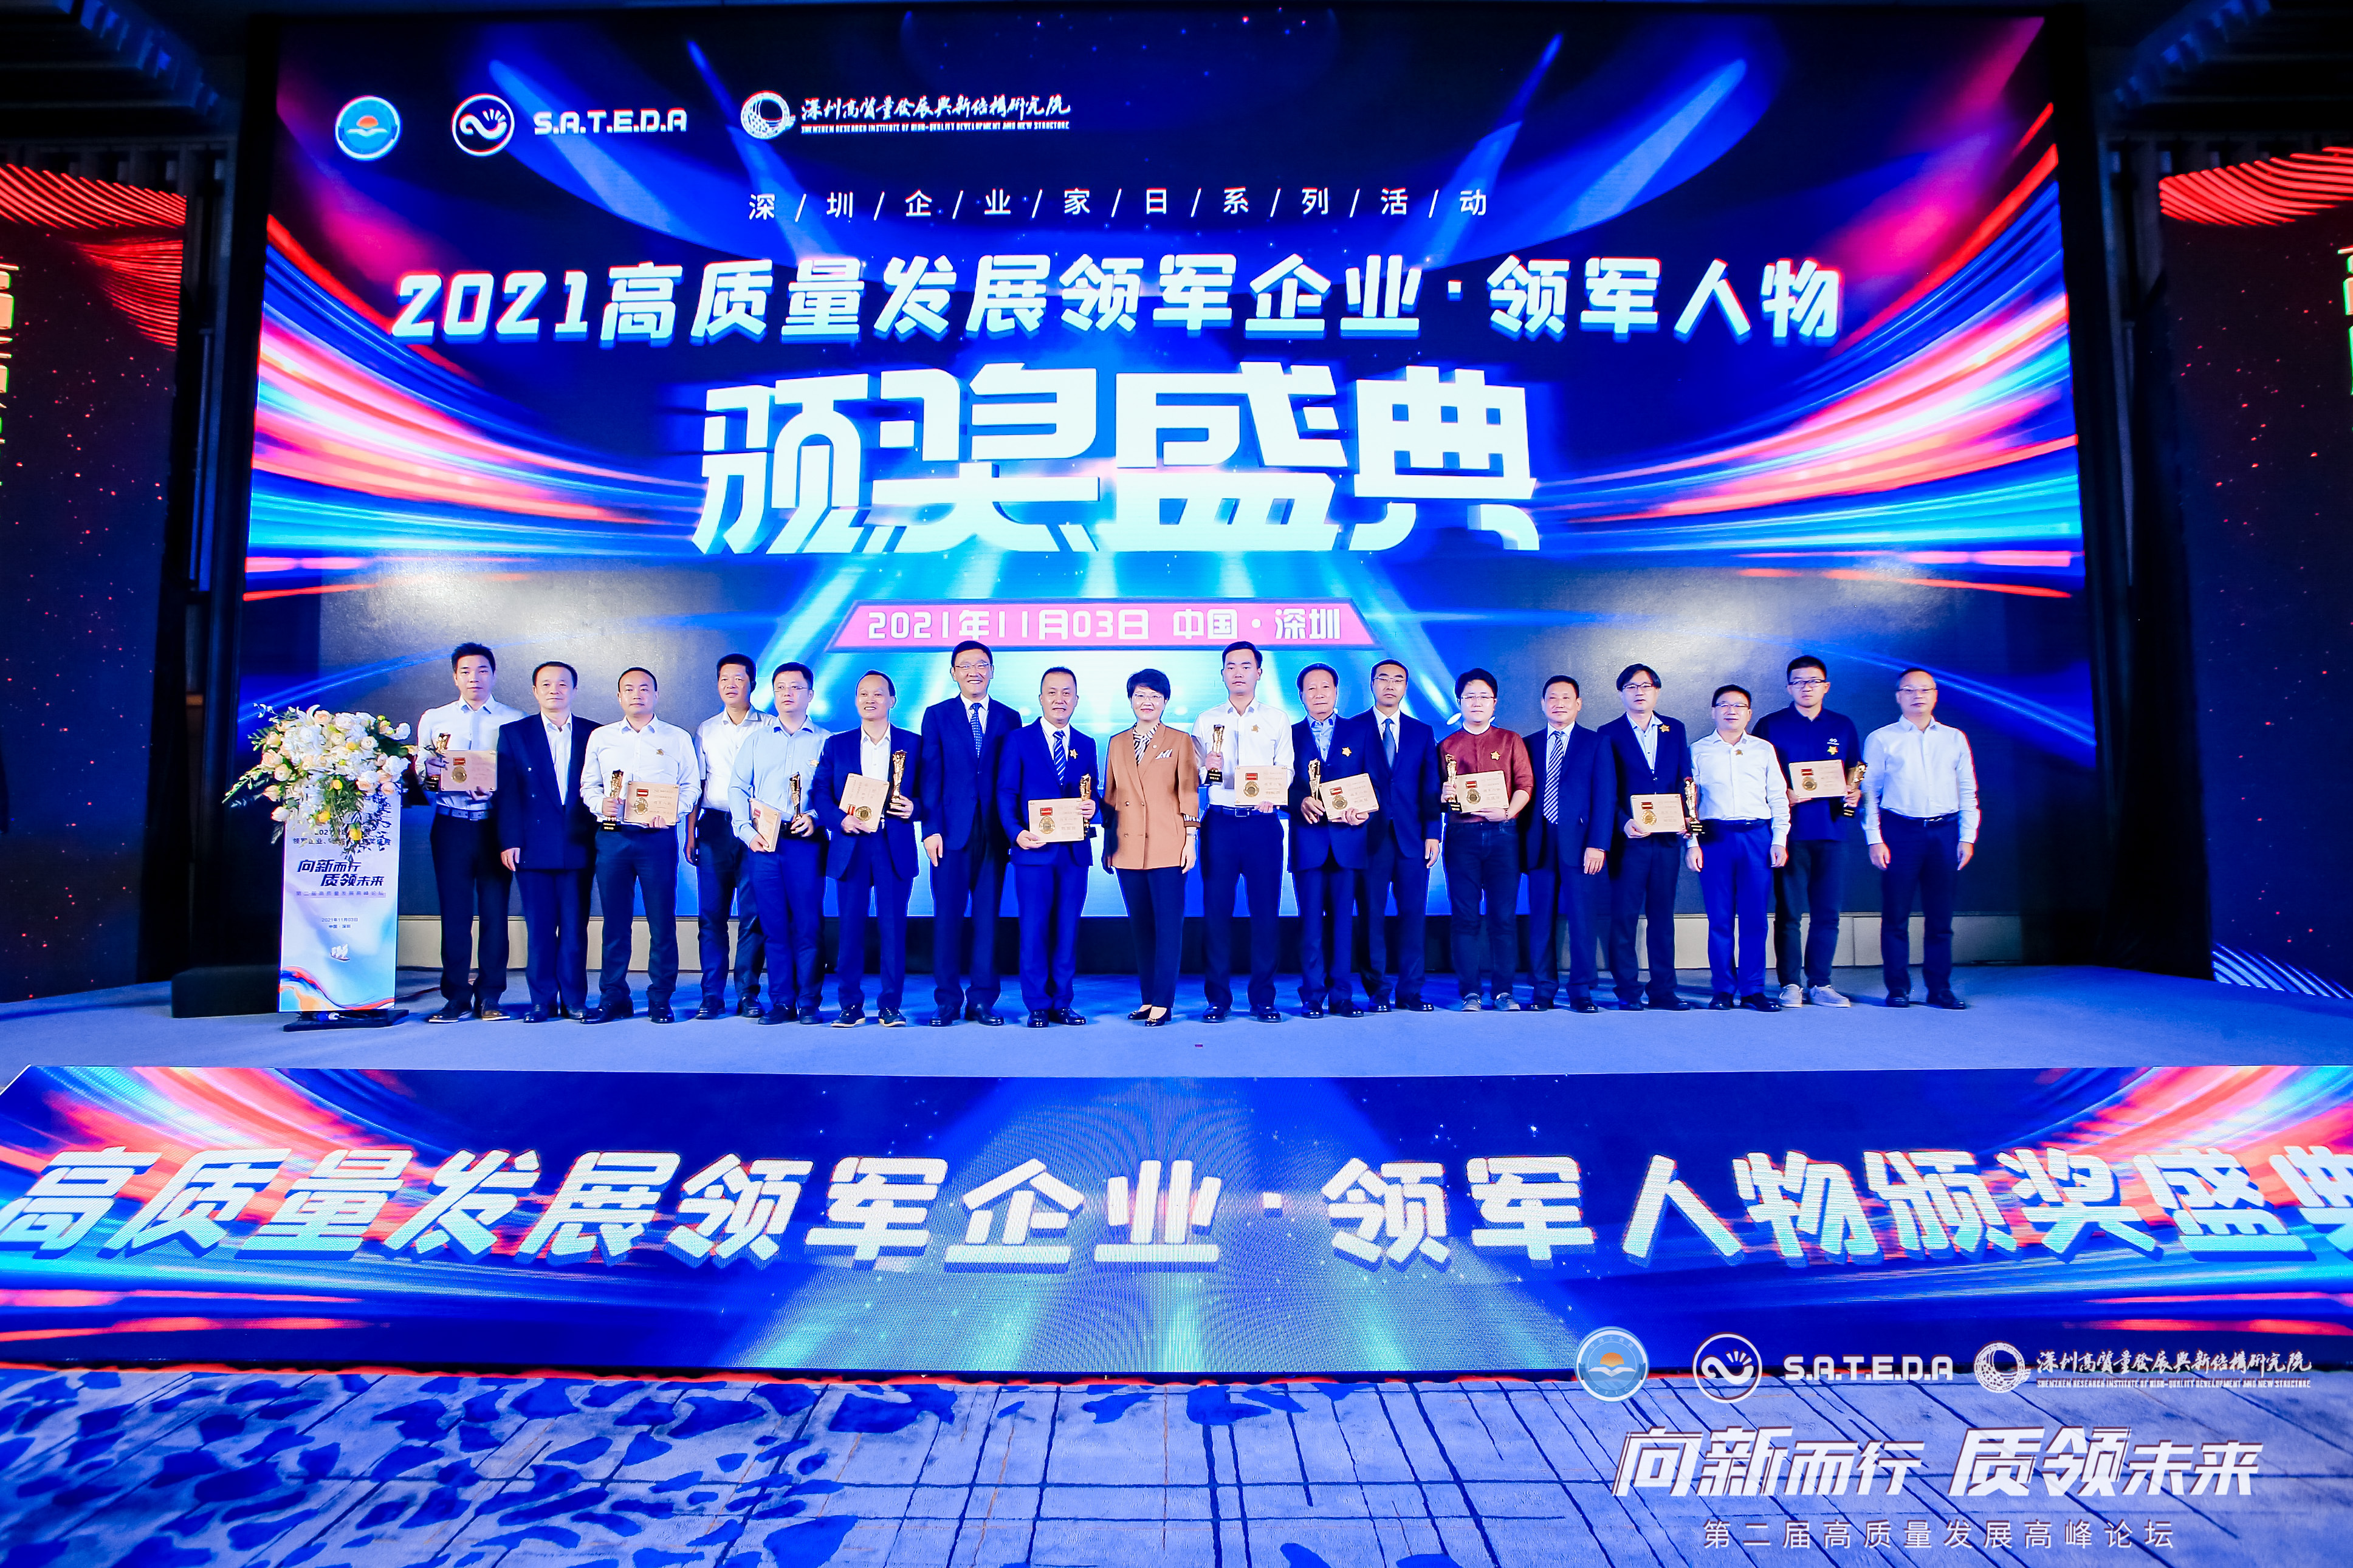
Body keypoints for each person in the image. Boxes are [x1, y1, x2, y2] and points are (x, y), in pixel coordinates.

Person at [579, 668, 699, 1024]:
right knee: (615, 922)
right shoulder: (602, 737)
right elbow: (588, 785)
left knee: (662, 922)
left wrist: (673, 812)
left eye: (644, 688)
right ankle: (613, 996)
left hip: (656, 840)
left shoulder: (676, 737)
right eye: (629, 689)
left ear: (656, 695)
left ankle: (661, 997)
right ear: (619, 697)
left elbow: (691, 786)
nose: (637, 694)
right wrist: (601, 804)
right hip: (612, 837)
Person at [415, 642, 521, 1022]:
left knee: (495, 914)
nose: (474, 678)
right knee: (454, 914)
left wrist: (496, 789)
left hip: (495, 827)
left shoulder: (515, 719)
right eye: (466, 672)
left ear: (494, 675)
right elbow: (422, 774)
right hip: (451, 825)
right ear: (455, 677)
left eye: (482, 671)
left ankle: (491, 995)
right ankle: (456, 997)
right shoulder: (435, 719)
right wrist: (431, 773)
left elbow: (522, 777)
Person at [1862, 668, 1979, 1010]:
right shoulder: (1882, 739)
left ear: (1935, 695)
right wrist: (1874, 839)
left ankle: (1940, 989)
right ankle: (1897, 988)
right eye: (1910, 690)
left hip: (1945, 832)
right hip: (1900, 832)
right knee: (1895, 916)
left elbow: (1968, 790)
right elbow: (1870, 793)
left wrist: (1967, 836)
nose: (1918, 696)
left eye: (1925, 690)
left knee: (1941, 919)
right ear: (1898, 696)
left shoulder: (1955, 738)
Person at [811, 671, 922, 1027]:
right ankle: (850, 1005)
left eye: (878, 694)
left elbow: (930, 794)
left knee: (894, 929)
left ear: (892, 700)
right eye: (863, 694)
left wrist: (915, 808)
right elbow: (819, 792)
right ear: (856, 700)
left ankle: (890, 1005)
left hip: (893, 844)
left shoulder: (913, 744)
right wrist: (839, 820)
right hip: (852, 844)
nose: (870, 699)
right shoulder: (837, 745)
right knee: (850, 929)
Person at [918, 640, 1019, 1027]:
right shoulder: (937, 715)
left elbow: (1013, 778)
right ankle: (946, 1001)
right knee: (947, 919)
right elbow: (930, 776)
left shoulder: (1009, 717)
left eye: (981, 665)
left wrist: (1015, 829)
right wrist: (931, 829)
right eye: (965, 666)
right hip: (949, 834)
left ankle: (982, 1000)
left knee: (987, 920)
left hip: (994, 833)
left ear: (992, 671)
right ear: (953, 673)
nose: (974, 672)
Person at [1752, 655, 1863, 1008]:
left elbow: (1854, 771)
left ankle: (1821, 983)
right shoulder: (1770, 726)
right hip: (1790, 834)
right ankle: (1790, 983)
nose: (1806, 687)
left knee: (1828, 912)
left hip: (1831, 831)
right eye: (1798, 682)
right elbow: (1754, 776)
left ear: (1826, 686)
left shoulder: (1843, 725)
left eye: (1813, 681)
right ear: (1789, 688)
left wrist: (1854, 792)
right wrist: (1782, 793)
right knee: (1789, 913)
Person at [1192, 640, 1292, 1022]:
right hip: (1219, 822)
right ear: (1222, 674)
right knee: (1216, 912)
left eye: (1246, 666)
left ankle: (1263, 998)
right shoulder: (1206, 720)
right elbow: (1195, 776)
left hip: (1262, 825)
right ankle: (1217, 998)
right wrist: (1207, 768)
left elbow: (1286, 769)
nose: (1238, 672)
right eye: (1231, 666)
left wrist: (1273, 794)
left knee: (1265, 912)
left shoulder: (1276, 719)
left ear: (1259, 673)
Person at [495, 662, 599, 1022]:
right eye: (546, 684)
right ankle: (541, 1000)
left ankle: (575, 1000)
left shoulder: (594, 733)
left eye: (562, 684)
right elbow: (507, 792)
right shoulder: (515, 733)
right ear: (535, 691)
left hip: (579, 843)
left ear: (574, 690)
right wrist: (510, 840)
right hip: (531, 845)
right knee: (539, 929)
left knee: (574, 929)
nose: (555, 690)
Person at [728, 662, 829, 1025]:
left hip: (806, 843)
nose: (788, 694)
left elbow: (834, 793)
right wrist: (746, 831)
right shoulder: (757, 740)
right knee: (773, 926)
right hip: (765, 843)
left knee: (808, 925)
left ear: (810, 695)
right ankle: (782, 1001)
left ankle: (809, 1001)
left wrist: (815, 816)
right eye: (781, 687)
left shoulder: (826, 741)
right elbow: (737, 787)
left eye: (796, 687)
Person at [998, 666, 1097, 1027]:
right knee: (1034, 929)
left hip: (1073, 854)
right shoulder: (1018, 740)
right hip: (1033, 851)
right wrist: (1016, 833)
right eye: (1052, 692)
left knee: (1067, 930)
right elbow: (1006, 792)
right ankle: (1037, 1003)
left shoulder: (1086, 743)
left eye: (1067, 693)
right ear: (1041, 698)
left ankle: (1063, 1002)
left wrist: (1094, 808)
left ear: (1076, 699)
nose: (1060, 699)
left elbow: (1093, 793)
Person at [1102, 668, 1198, 1025]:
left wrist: (1191, 839)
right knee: (1140, 925)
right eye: (1141, 695)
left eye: (1155, 697)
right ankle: (1147, 998)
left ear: (1165, 702)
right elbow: (1111, 797)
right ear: (1131, 700)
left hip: (1168, 843)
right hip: (1127, 846)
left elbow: (1188, 792)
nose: (1147, 702)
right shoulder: (1116, 743)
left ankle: (1164, 1001)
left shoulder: (1180, 741)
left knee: (1168, 927)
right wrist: (1108, 845)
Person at [1598, 663, 1695, 1011]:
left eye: (1647, 686)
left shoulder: (1674, 729)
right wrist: (1622, 823)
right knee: (1624, 917)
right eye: (1632, 686)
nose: (1640, 692)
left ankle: (1664, 990)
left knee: (1662, 918)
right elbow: (1605, 789)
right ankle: (1627, 990)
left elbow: (1685, 779)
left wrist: (1687, 818)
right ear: (1621, 692)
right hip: (1630, 841)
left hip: (1667, 840)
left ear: (1657, 691)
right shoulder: (1608, 733)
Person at [1688, 685, 1790, 1012]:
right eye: (1724, 705)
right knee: (1719, 919)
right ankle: (1723, 989)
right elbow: (1690, 803)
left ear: (1749, 713)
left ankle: (1753, 989)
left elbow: (1778, 796)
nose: (1731, 711)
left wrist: (1779, 839)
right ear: (1713, 711)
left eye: (1739, 706)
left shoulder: (1763, 749)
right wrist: (1692, 843)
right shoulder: (1698, 751)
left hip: (1757, 837)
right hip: (1714, 838)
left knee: (1755, 918)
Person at [1438, 668, 1533, 1010]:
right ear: (1459, 702)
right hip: (1461, 837)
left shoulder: (1510, 740)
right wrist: (1442, 794)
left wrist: (1507, 812)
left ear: (1495, 702)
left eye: (1484, 696)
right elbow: (1435, 797)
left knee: (1503, 918)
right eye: (1469, 697)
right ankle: (1470, 992)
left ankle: (1504, 991)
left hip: (1503, 836)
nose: (1476, 702)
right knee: (1465, 917)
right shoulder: (1446, 746)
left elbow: (1525, 785)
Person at [1520, 676, 1613, 1013]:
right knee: (1540, 920)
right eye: (1552, 698)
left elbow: (1605, 796)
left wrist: (1598, 844)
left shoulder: (1596, 743)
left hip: (1582, 844)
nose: (1558, 704)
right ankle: (1542, 989)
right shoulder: (1528, 744)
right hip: (1539, 842)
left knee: (1582, 919)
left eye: (1566, 698)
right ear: (1542, 704)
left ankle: (1581, 991)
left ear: (1578, 704)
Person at [1288, 663, 1376, 1018]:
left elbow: (1374, 781)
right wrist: (1299, 801)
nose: (1319, 694)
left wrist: (1366, 810)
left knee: (1343, 924)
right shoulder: (1290, 735)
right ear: (1301, 695)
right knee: (1310, 924)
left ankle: (1342, 995)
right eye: (1311, 688)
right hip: (1308, 839)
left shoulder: (1360, 732)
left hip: (1348, 839)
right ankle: (1312, 995)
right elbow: (1281, 783)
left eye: (1326, 687)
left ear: (1337, 692)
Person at [1355, 658, 1442, 1012]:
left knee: (1413, 915)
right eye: (1383, 679)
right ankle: (1377, 990)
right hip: (1367, 837)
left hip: (1413, 837)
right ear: (1372, 684)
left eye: (1398, 680)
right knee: (1370, 916)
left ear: (1406, 687)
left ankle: (1411, 991)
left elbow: (1431, 785)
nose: (1390, 685)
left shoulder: (1422, 732)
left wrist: (1433, 833)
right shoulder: (1354, 727)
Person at [692, 654, 772, 1020]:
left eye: (738, 679)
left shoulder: (771, 726)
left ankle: (748, 993)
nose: (730, 685)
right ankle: (711, 994)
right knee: (711, 914)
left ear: (752, 683)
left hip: (757, 826)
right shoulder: (706, 729)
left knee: (753, 914)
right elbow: (697, 784)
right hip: (715, 826)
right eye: (724, 679)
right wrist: (690, 832)